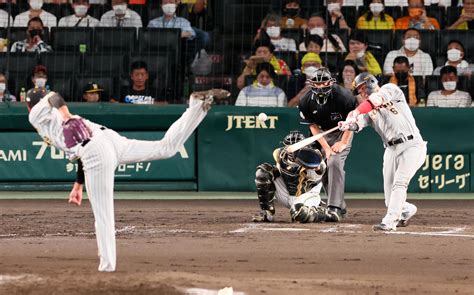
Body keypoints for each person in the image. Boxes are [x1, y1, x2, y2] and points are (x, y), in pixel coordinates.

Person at [26, 86, 229, 272]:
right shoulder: (49, 120)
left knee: (103, 215)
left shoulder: (36, 114)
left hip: (96, 150)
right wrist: (78, 184)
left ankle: (107, 268)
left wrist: (65, 113)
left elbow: (54, 97)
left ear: (29, 105)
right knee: (166, 148)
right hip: (108, 140)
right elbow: (79, 148)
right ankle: (197, 106)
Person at [338, 72, 427, 231]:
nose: (362, 92)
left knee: (400, 183)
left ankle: (390, 222)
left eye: (362, 88)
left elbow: (373, 102)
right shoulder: (368, 111)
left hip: (412, 144)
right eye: (359, 91)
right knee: (389, 199)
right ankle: (406, 211)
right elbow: (359, 124)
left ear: (371, 82)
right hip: (391, 149)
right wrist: (347, 124)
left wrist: (355, 112)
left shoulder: (390, 89)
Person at [298, 67, 357, 222]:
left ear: (331, 81)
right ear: (311, 84)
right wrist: (326, 148)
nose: (320, 86)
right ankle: (340, 204)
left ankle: (334, 208)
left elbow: (352, 122)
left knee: (334, 161)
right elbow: (313, 126)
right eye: (316, 84)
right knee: (320, 167)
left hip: (342, 131)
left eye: (324, 82)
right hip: (320, 134)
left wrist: (342, 142)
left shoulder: (344, 96)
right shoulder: (305, 101)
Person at [252, 131, 327, 223]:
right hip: (286, 192)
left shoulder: (314, 157)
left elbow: (319, 173)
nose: (293, 150)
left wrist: (316, 167)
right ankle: (267, 212)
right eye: (290, 146)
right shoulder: (280, 154)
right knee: (263, 172)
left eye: (297, 146)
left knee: (299, 214)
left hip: (306, 195)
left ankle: (321, 212)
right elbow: (277, 171)